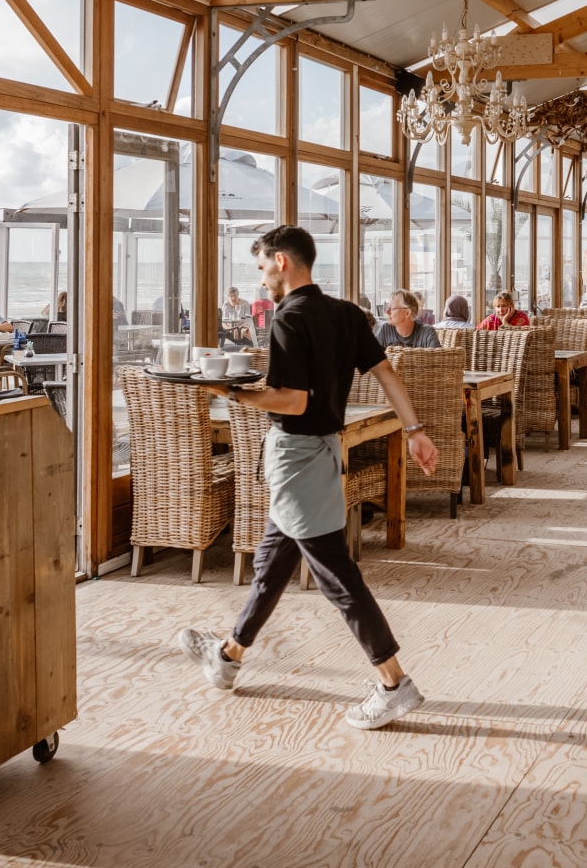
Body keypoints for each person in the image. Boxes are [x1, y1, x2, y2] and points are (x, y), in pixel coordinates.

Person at [178, 225, 439, 730]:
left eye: (261, 269)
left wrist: (232, 393)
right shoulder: (346, 313)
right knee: (273, 561)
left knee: (335, 574)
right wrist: (414, 429)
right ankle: (228, 657)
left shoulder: (287, 317)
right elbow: (386, 372)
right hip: (321, 452)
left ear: (281, 261)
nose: (261, 282)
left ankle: (394, 683)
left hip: (297, 455)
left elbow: (292, 401)